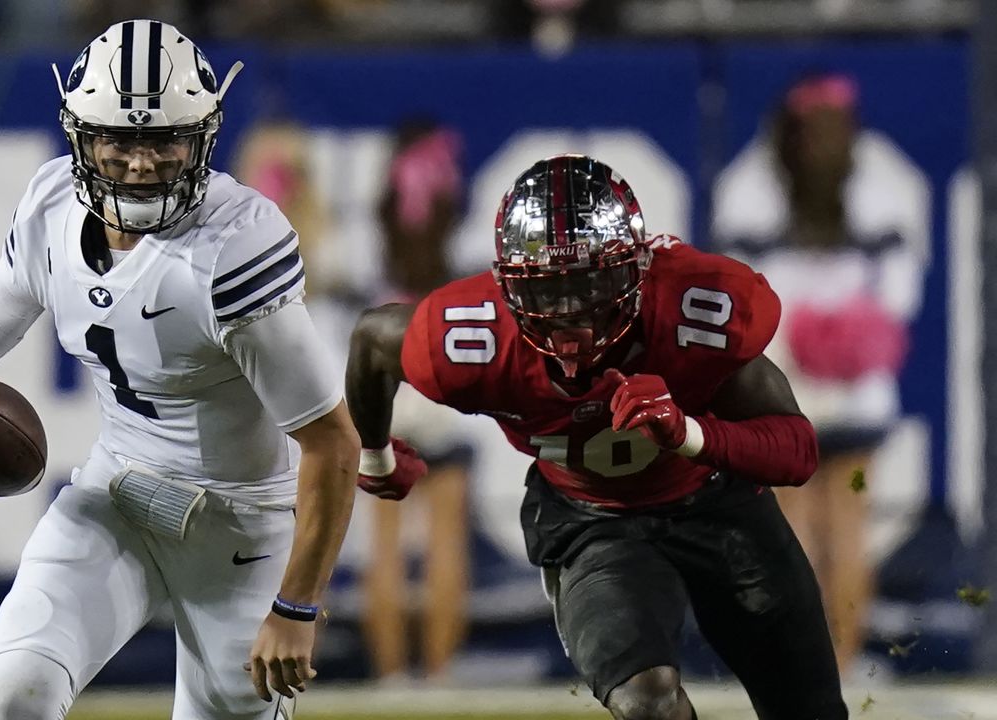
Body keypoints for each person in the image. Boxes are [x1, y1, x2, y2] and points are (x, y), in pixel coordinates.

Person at [0, 20, 360, 720]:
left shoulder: (231, 249)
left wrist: (297, 605)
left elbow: (331, 441)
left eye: (164, 139)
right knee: (20, 687)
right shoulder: (51, 210)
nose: (141, 162)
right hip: (116, 500)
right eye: (120, 139)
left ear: (200, 138)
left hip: (242, 529)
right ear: (82, 138)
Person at [346, 154, 847, 720]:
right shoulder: (470, 335)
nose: (568, 315)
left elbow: (798, 450)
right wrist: (375, 454)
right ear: (509, 286)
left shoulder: (693, 305)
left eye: (588, 283)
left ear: (637, 268)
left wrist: (689, 433)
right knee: (647, 703)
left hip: (717, 503)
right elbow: (370, 342)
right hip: (592, 521)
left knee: (810, 712)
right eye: (546, 290)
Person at [711, 72, 920, 674]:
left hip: (785, 392)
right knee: (848, 528)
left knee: (791, 529)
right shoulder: (876, 184)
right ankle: (843, 664)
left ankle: (800, 666)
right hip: (852, 397)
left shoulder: (748, 185)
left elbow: (733, 297)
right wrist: (848, 332)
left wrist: (809, 332)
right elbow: (900, 297)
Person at [362, 121, 473, 683]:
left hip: (387, 386)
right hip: (437, 371)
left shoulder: (376, 242)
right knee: (446, 541)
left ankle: (391, 681)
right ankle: (438, 680)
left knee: (386, 545)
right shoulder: (447, 229)